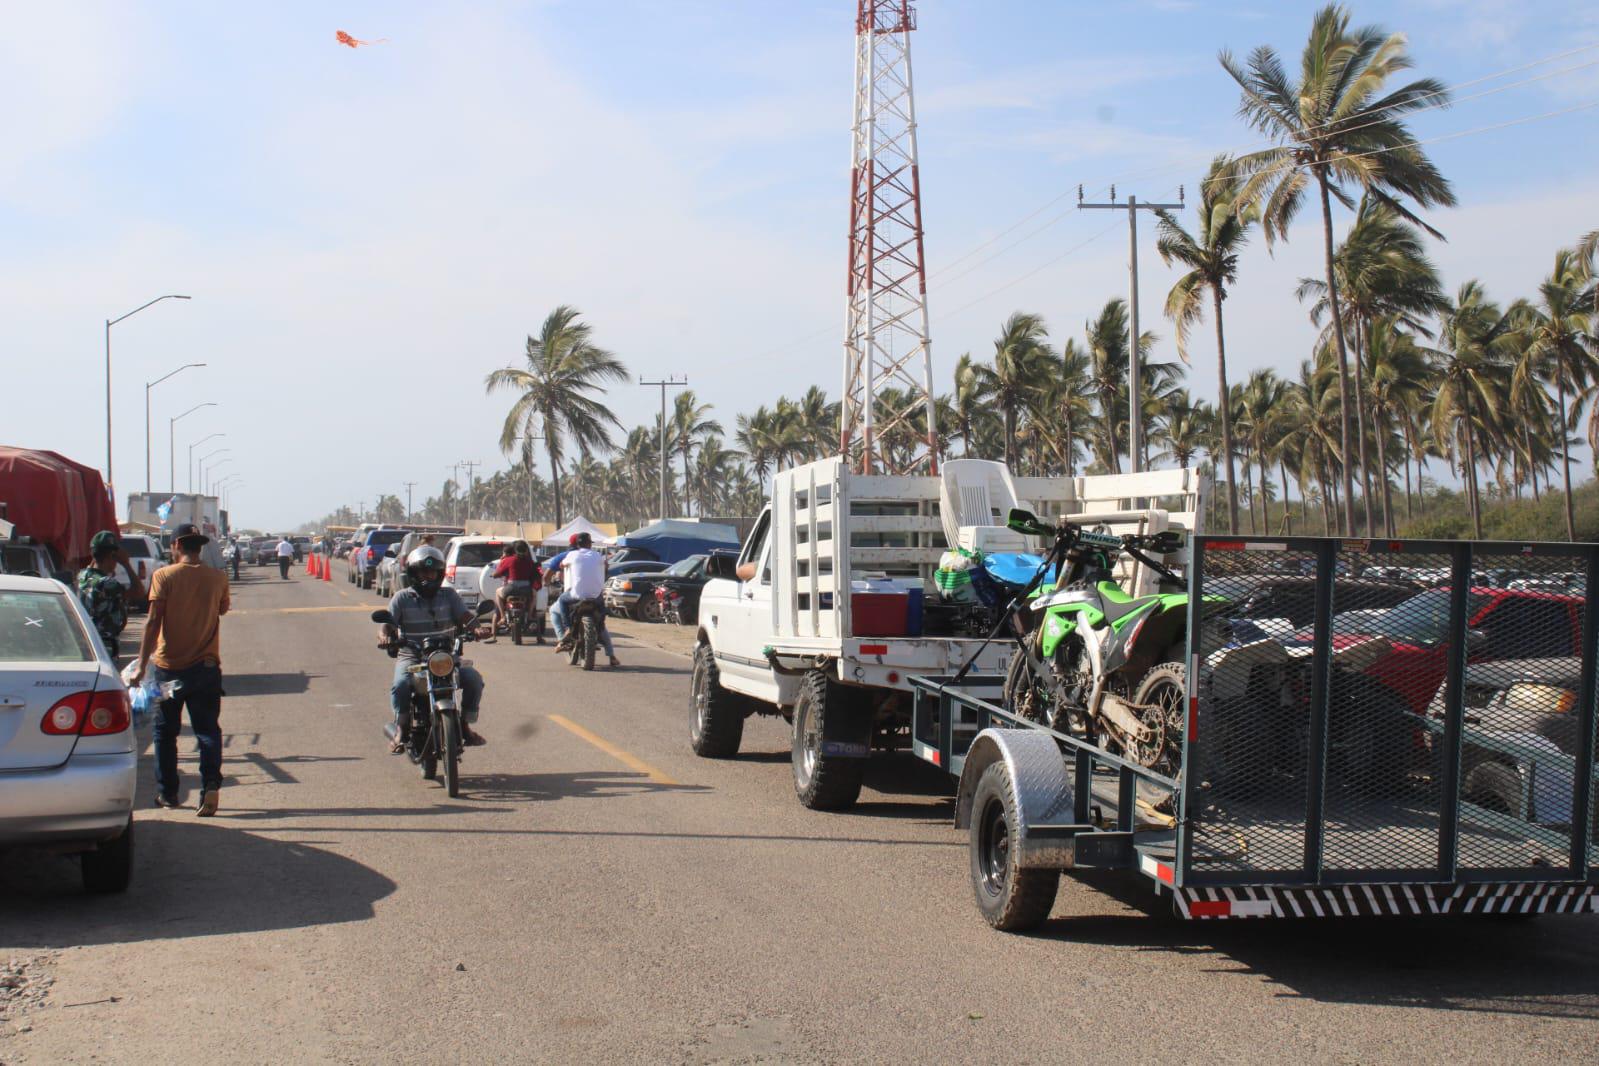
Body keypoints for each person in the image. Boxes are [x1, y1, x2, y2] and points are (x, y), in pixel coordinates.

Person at [129, 523, 231, 816]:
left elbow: (152, 621)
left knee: (165, 733)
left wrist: (141, 664)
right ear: (199, 547)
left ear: (175, 545)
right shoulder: (218, 578)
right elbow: (222, 610)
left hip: (167, 669)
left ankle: (168, 793)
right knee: (207, 730)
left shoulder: (163, 576)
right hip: (207, 667)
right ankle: (210, 784)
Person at [378, 546, 487, 752]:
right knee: (401, 684)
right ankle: (401, 727)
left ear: (439, 573)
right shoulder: (402, 597)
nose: (428, 576)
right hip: (412, 657)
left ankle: (464, 725)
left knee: (473, 679)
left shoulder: (449, 595)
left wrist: (478, 628)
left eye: (432, 572)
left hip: (444, 657)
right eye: (423, 572)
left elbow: (466, 617)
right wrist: (384, 637)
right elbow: (387, 625)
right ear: (413, 574)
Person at [550, 532, 618, 668]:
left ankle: (568, 628)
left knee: (562, 601)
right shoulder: (598, 555)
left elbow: (562, 566)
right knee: (601, 623)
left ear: (576, 544)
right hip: (596, 596)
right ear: (589, 544)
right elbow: (606, 566)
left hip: (576, 595)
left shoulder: (571, 555)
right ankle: (611, 655)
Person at [76, 531, 129, 654]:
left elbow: (92, 569)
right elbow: (139, 591)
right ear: (112, 556)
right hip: (105, 646)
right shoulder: (108, 583)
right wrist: (126, 564)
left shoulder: (81, 576)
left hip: (86, 642)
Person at [490, 540, 542, 643]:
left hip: (511, 588)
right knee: (534, 596)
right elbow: (536, 574)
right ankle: (530, 615)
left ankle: (503, 617)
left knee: (497, 592)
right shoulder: (529, 562)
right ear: (526, 550)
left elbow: (498, 573)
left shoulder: (508, 560)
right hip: (526, 590)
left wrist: (493, 575)